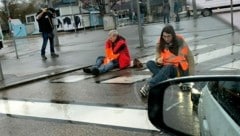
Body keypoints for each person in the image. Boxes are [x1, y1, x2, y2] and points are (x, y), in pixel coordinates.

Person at [139, 25, 195, 97]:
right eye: (164, 36)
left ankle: (149, 86)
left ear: (173, 35)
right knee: (149, 63)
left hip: (177, 69)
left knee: (168, 67)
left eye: (168, 36)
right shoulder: (160, 43)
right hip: (164, 67)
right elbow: (157, 57)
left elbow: (190, 58)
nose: (166, 38)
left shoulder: (180, 42)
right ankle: (165, 78)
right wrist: (158, 61)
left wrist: (190, 78)